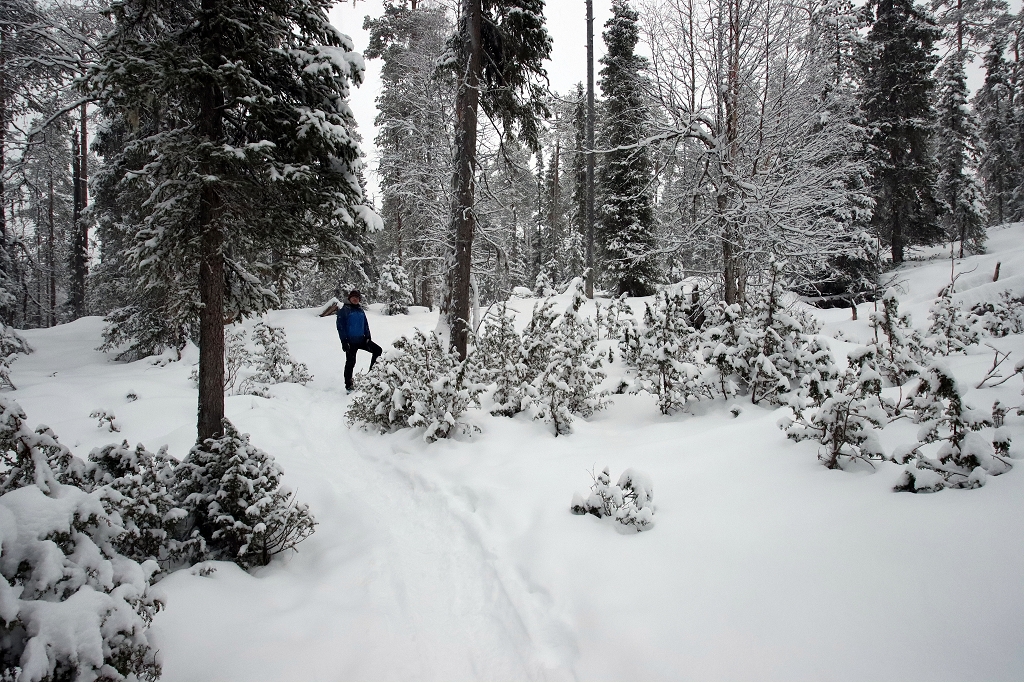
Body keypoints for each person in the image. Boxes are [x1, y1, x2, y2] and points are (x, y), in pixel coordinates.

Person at [336, 290, 382, 391]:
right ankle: (348, 385)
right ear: (349, 298)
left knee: (378, 350)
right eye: (353, 297)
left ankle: (371, 376)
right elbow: (340, 327)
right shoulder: (344, 310)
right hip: (350, 342)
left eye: (357, 298)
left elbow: (365, 324)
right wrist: (344, 341)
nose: (355, 299)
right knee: (351, 362)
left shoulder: (360, 310)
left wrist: (368, 337)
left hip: (362, 340)